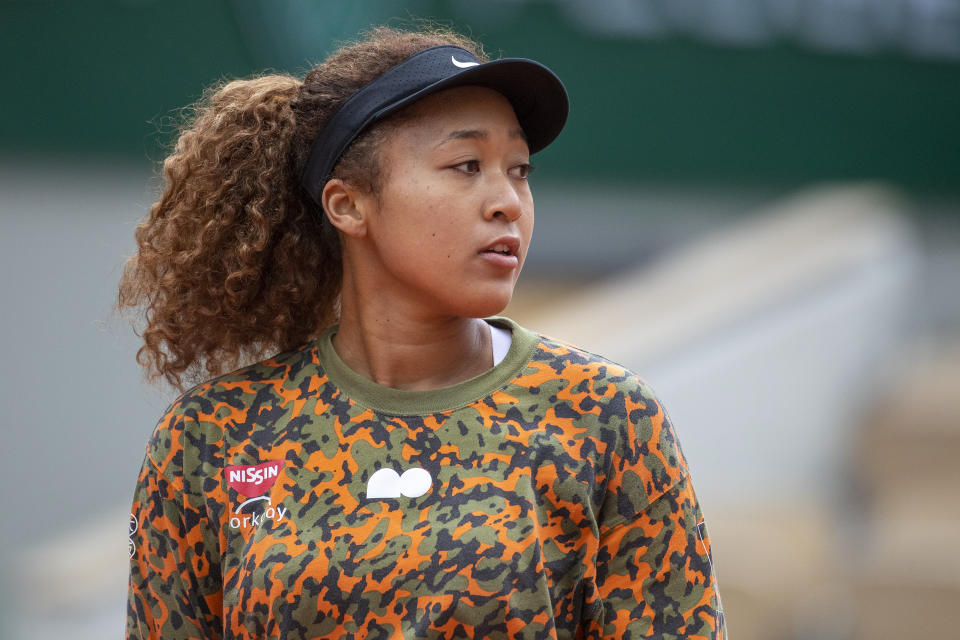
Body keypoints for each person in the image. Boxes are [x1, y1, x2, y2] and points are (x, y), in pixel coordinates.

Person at [120, 25, 725, 640]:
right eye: (466, 165)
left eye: (519, 170)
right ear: (348, 206)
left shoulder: (607, 416)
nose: (508, 202)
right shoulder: (210, 437)